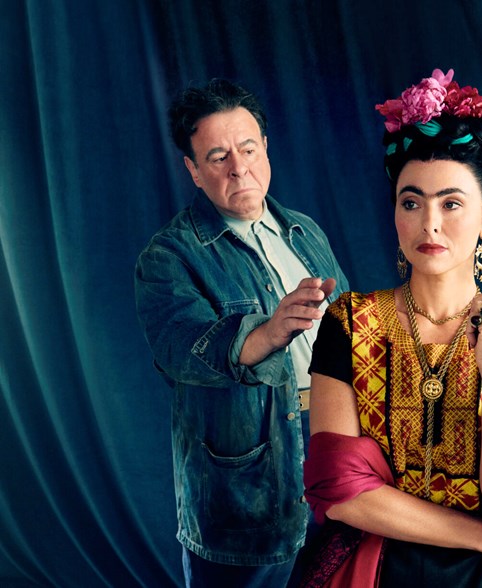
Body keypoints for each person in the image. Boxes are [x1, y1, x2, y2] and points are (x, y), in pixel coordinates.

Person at [301, 69, 482, 587]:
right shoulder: (350, 323)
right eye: (411, 202)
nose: (429, 223)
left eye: (451, 203)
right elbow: (338, 490)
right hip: (369, 570)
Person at [134, 78, 348, 587]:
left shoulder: (305, 231)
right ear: (193, 170)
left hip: (333, 452)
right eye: (218, 156)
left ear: (266, 147)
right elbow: (181, 349)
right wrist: (268, 333)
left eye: (248, 148)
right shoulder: (169, 256)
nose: (239, 166)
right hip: (245, 487)